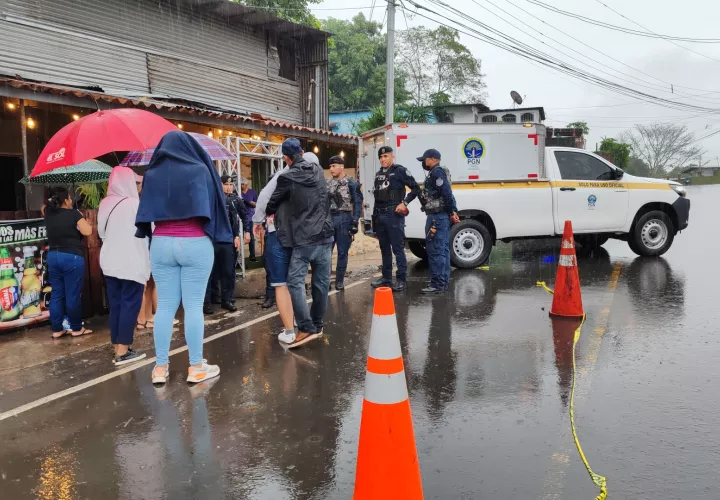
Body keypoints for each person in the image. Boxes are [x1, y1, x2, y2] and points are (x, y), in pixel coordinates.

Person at [136, 130, 232, 385]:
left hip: (161, 243)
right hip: (195, 242)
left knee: (165, 307)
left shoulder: (152, 175)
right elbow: (214, 206)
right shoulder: (200, 170)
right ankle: (196, 366)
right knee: (193, 307)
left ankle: (159, 368)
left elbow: (145, 210)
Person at [266, 139, 333, 348]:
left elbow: (272, 203)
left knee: (294, 282)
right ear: (302, 153)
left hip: (304, 239)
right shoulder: (318, 170)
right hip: (326, 237)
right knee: (321, 284)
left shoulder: (287, 177)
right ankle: (318, 323)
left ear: (286, 158)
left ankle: (305, 327)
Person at [98, 166, 150, 365]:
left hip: (109, 261)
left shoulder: (105, 203)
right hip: (131, 261)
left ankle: (118, 347)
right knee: (130, 304)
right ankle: (122, 352)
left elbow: (101, 233)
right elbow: (148, 229)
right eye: (135, 183)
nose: (137, 186)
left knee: (117, 306)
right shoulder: (135, 205)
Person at [44, 186, 93, 338]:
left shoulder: (48, 212)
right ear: (66, 200)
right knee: (72, 294)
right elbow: (88, 231)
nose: (71, 200)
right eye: (70, 198)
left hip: (53, 256)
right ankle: (77, 328)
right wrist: (80, 218)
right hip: (71, 256)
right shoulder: (73, 213)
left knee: (57, 293)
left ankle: (57, 329)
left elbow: (44, 206)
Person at [371, 145, 421, 292]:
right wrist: (374, 220)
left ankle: (401, 280)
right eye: (380, 157)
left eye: (386, 156)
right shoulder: (379, 174)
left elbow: (416, 188)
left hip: (393, 214)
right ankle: (386, 277)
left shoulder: (399, 171)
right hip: (380, 215)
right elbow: (377, 198)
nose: (382, 159)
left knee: (397, 248)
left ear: (393, 157)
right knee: (384, 248)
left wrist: (404, 203)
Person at [253, 163, 293, 331]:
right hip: (273, 235)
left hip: (282, 235)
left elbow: (263, 200)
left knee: (283, 277)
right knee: (271, 270)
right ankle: (270, 297)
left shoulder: (285, 196)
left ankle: (291, 322)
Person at [203, 175, 251, 314]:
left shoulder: (236, 199)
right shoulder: (214, 199)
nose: (228, 187)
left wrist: (244, 233)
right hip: (211, 240)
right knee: (210, 272)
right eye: (225, 184)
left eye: (230, 185)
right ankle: (208, 301)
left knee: (228, 272)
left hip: (228, 240)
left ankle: (227, 300)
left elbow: (244, 216)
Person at [416, 149, 459, 294]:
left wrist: (451, 211)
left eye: (425, 159)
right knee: (443, 251)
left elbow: (446, 193)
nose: (424, 162)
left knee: (436, 251)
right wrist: (452, 211)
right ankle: (442, 282)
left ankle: (438, 284)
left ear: (433, 159)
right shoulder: (439, 171)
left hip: (437, 217)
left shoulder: (437, 172)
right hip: (441, 216)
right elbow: (448, 194)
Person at [327, 155, 363, 290]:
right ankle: (326, 280)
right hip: (330, 218)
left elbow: (358, 202)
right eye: (330, 166)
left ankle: (339, 281)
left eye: (334, 166)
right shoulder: (327, 183)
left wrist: (355, 221)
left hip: (344, 218)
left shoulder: (351, 183)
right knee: (326, 252)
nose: (331, 169)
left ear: (341, 166)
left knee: (342, 252)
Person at [240, 178, 258, 261]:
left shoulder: (252, 192)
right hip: (239, 217)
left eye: (243, 184)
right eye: (240, 184)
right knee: (239, 236)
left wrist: (247, 201)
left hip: (250, 217)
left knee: (251, 237)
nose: (241, 186)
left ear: (246, 184)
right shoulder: (237, 192)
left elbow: (256, 204)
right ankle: (238, 257)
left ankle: (252, 255)